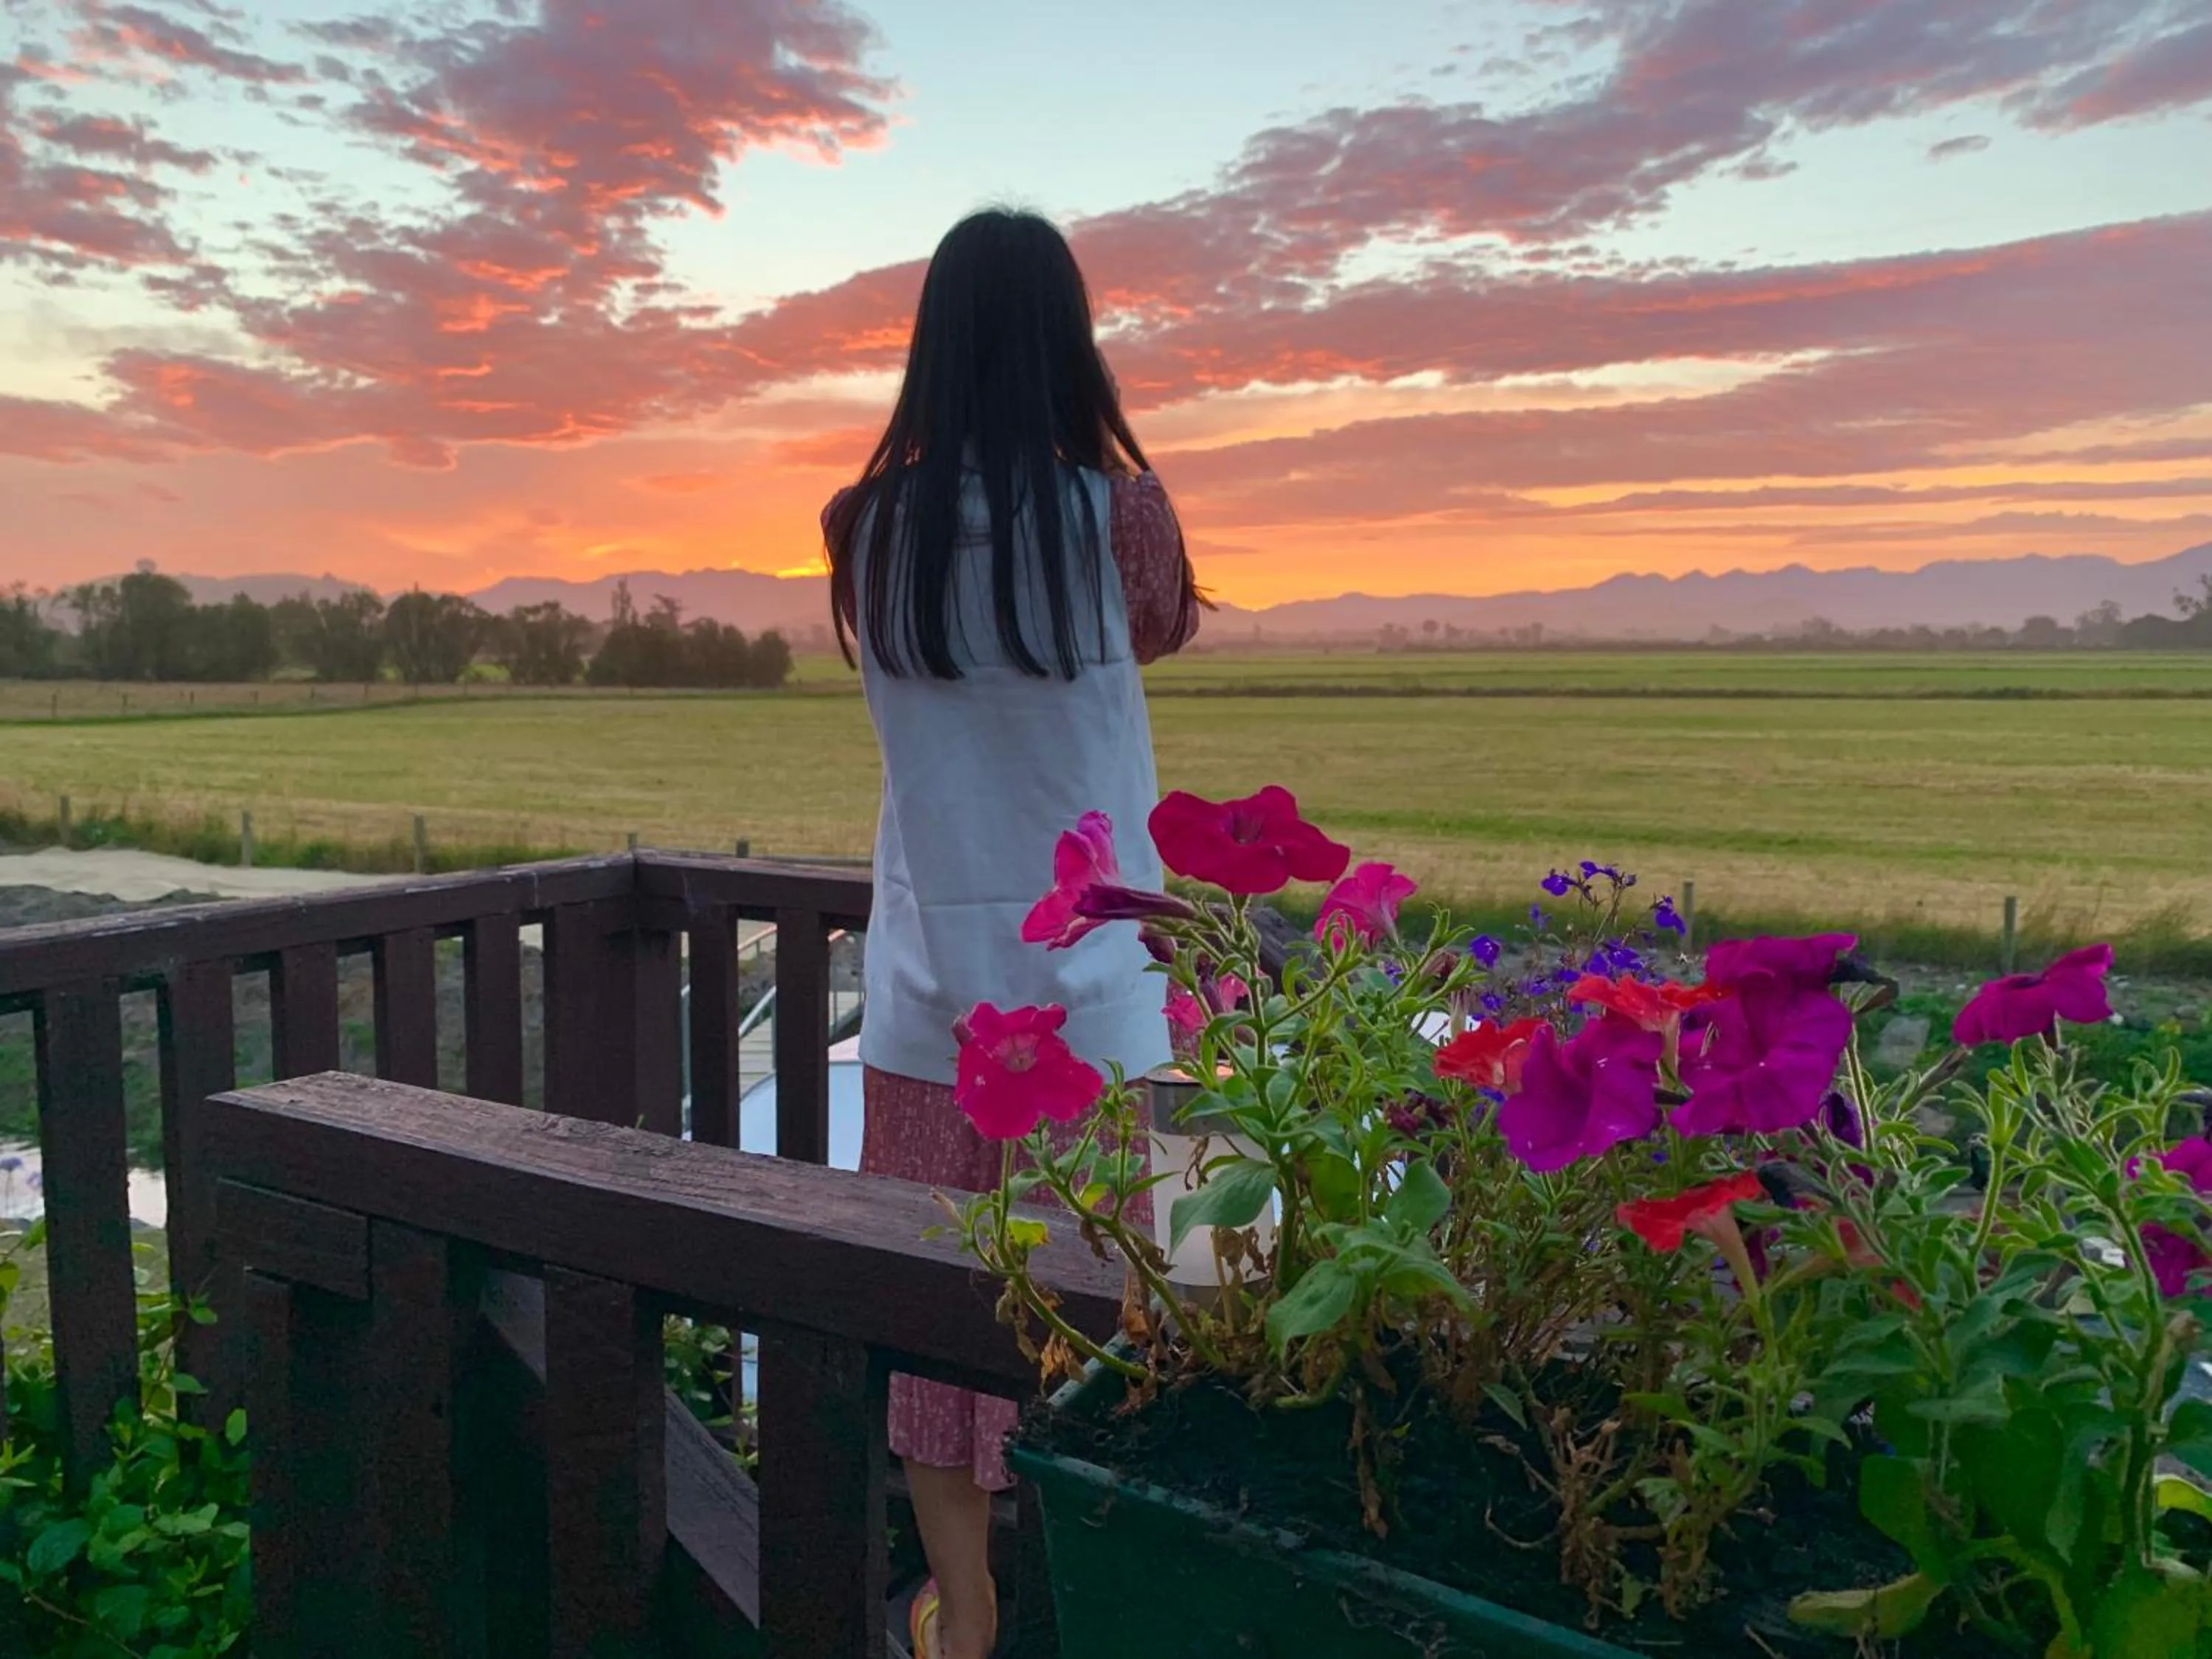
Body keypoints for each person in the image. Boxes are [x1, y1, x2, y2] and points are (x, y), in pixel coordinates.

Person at [820, 207, 1204, 1659]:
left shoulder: (866, 530)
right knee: (1118, 1300)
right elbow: (1159, 629)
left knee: (941, 1308)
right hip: (1102, 992)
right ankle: (1090, 1593)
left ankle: (963, 1612)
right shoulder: (1122, 518)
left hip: (929, 993)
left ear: (930, 347)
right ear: (1069, 345)